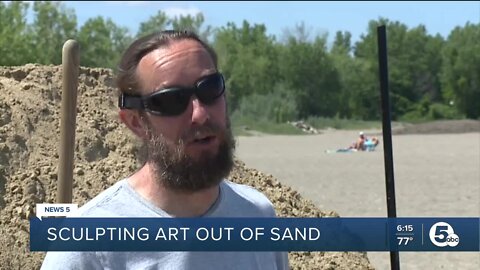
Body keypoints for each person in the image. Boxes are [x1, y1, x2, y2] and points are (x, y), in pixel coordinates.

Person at [41, 30, 289, 269]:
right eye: (171, 100)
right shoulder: (86, 245)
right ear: (136, 122)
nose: (200, 114)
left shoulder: (258, 214)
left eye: (210, 88)